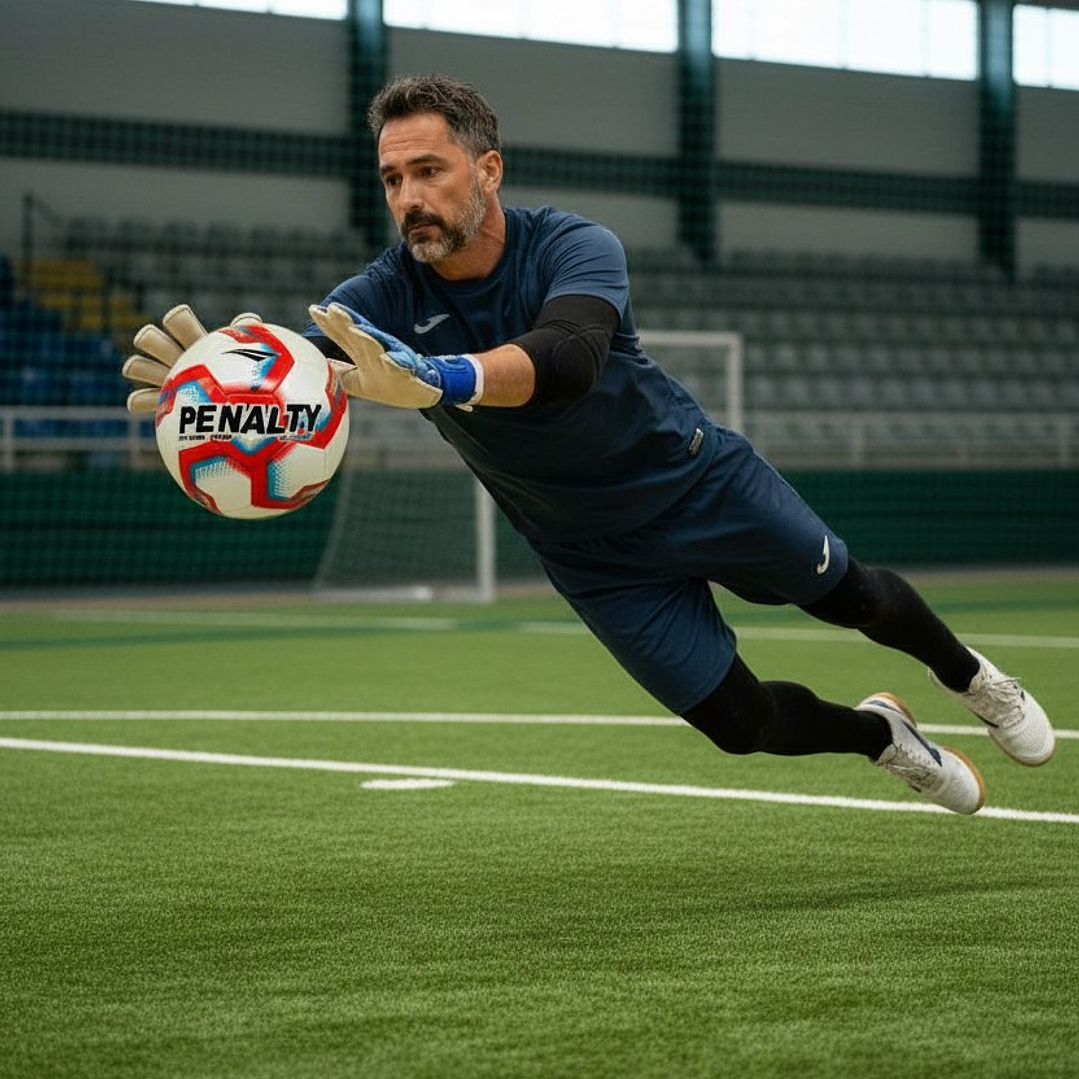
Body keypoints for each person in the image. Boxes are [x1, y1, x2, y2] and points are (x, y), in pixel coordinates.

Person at [123, 74, 1054, 815]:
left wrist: (440, 376)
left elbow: (565, 359)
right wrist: (221, 377)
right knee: (738, 724)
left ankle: (972, 676)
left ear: (487, 169)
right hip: (588, 551)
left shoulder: (572, 245)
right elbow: (303, 360)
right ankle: (882, 737)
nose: (409, 197)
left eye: (429, 171)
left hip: (696, 483)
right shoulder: (378, 296)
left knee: (845, 592)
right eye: (392, 179)